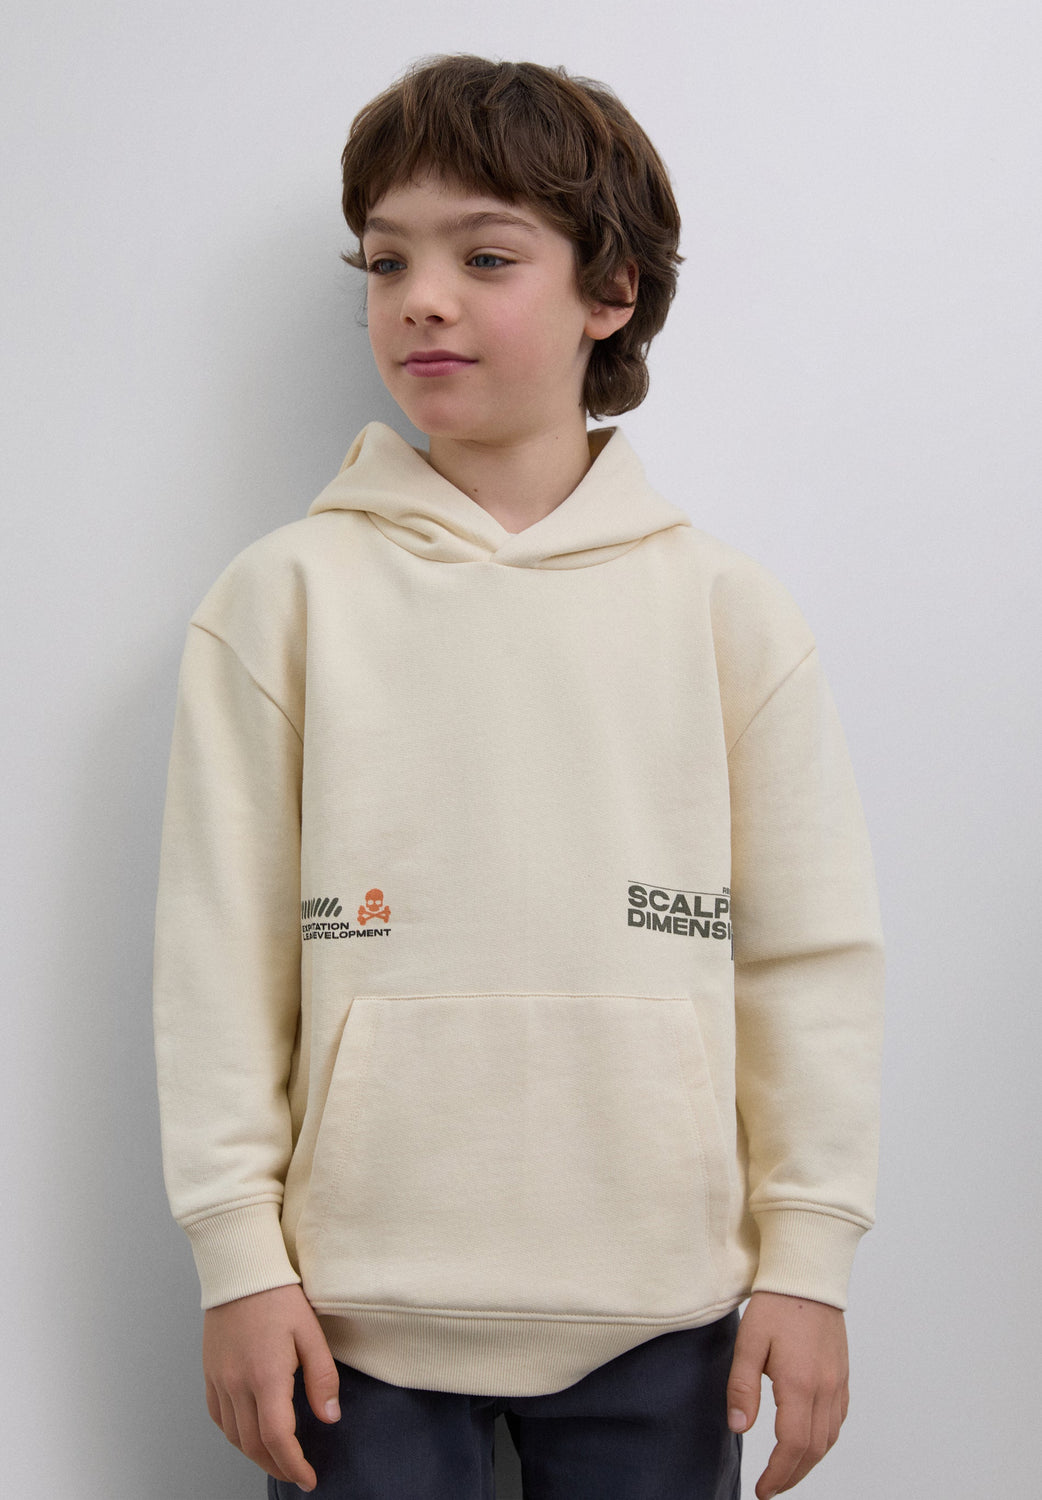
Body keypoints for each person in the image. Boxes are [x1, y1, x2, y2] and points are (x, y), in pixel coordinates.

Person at [153, 54, 884, 1500]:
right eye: (387, 262)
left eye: (484, 257)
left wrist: (808, 1260)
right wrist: (237, 1257)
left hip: (665, 1306)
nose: (420, 298)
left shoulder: (726, 612)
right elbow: (217, 959)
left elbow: (808, 957)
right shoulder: (284, 599)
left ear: (608, 291)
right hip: (347, 1314)